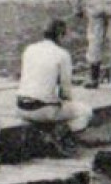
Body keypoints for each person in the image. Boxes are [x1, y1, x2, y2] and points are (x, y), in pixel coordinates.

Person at [17, 19, 93, 156]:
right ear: (60, 36)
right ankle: (60, 137)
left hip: (21, 106)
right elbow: (65, 92)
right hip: (43, 110)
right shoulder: (62, 54)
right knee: (85, 111)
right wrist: (66, 102)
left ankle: (52, 135)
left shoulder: (29, 49)